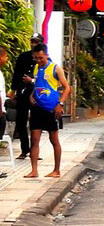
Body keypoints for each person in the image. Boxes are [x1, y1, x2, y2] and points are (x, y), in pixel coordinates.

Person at [25, 44, 71, 178]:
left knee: (54, 139)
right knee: (34, 139)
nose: (38, 60)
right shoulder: (35, 68)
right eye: (36, 58)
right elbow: (37, 84)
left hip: (51, 108)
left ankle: (56, 170)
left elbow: (67, 88)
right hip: (37, 108)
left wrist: (60, 104)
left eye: (40, 58)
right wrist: (31, 95)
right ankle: (34, 170)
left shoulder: (55, 68)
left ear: (46, 55)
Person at [9, 33, 43, 158]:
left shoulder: (45, 59)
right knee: (21, 121)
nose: (34, 44)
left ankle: (35, 150)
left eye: (36, 42)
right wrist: (14, 91)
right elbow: (17, 74)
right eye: (32, 41)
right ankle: (25, 150)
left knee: (36, 122)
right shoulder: (23, 56)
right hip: (23, 91)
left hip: (37, 93)